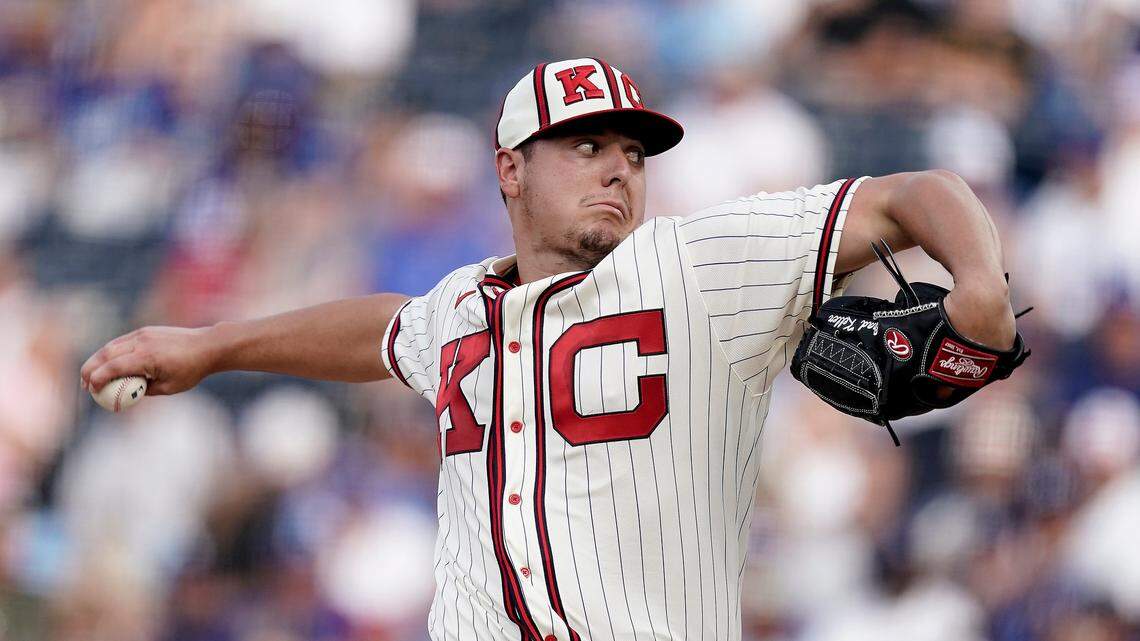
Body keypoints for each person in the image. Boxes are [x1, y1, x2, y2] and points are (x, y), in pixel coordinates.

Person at [80, 58, 1016, 641]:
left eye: (633, 153)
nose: (618, 166)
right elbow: (381, 329)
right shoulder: (464, 304)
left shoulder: (696, 261)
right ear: (510, 170)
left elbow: (913, 195)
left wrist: (978, 283)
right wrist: (211, 343)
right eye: (585, 145)